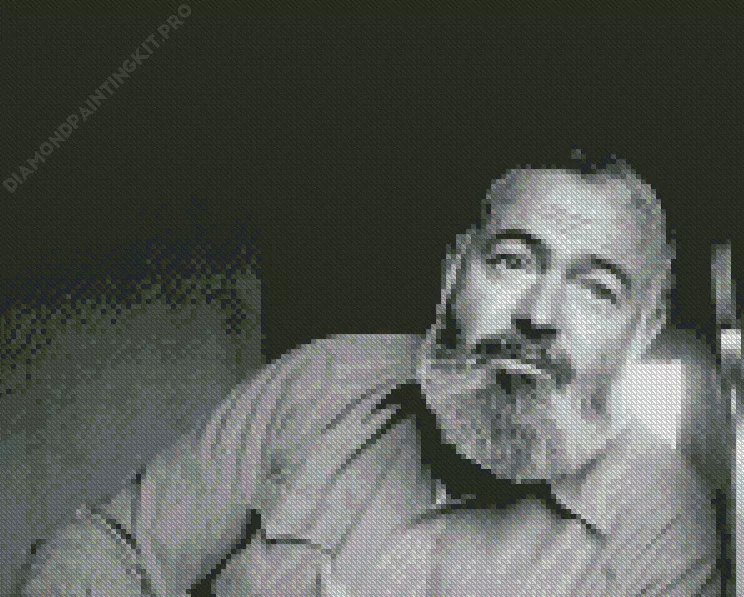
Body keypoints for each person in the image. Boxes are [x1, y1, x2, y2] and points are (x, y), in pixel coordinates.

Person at [19, 156, 720, 596]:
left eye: (596, 290)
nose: (538, 316)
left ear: (644, 329)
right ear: (454, 271)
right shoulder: (320, 382)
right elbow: (117, 549)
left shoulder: (663, 522)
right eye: (512, 261)